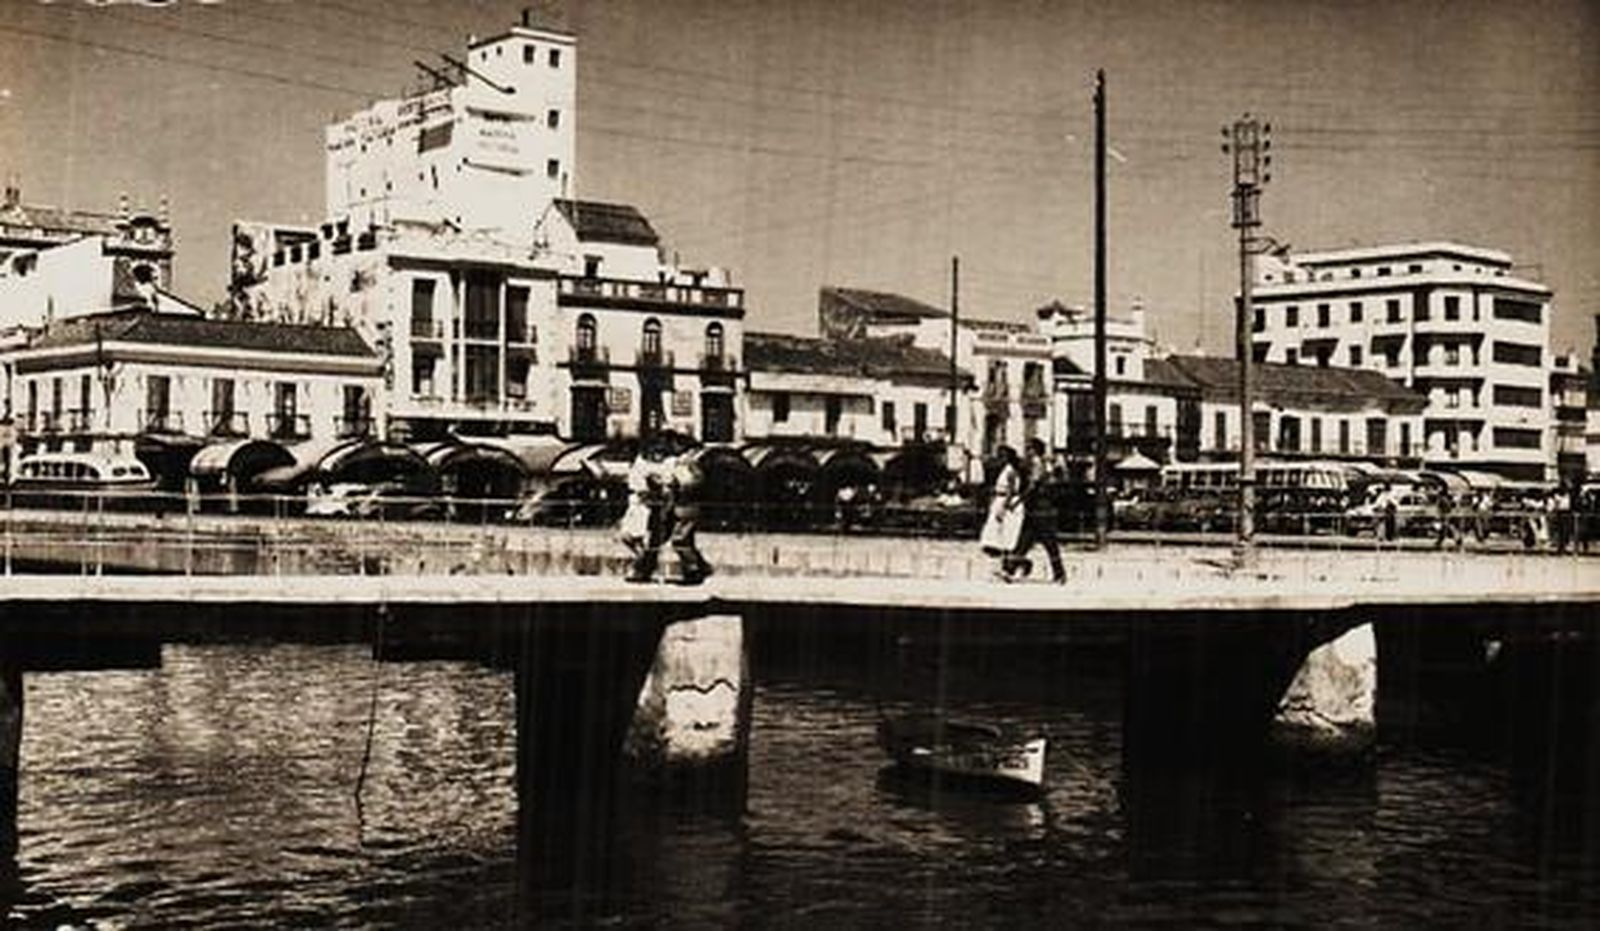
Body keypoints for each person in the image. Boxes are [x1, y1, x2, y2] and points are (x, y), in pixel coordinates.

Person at [1010, 438, 1066, 583]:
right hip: (1037, 510)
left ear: (1035, 449)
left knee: (1048, 543)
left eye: (1029, 448)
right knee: (1024, 541)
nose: (1027, 451)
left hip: (1041, 510)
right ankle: (1010, 568)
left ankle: (1060, 574)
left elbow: (1032, 486)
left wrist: (1017, 502)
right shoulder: (1041, 464)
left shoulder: (1037, 464)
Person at [621, 437, 673, 583]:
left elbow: (655, 484)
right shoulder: (637, 465)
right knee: (628, 536)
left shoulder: (645, 466)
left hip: (643, 505)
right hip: (635, 502)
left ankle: (641, 567)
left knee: (639, 537)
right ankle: (643, 564)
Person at [664, 446, 713, 584]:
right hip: (681, 506)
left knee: (679, 540)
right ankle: (698, 568)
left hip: (688, 505)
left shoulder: (689, 462)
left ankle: (694, 570)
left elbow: (698, 480)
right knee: (686, 541)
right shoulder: (678, 462)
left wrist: (681, 485)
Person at [979, 445, 1027, 582]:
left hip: (1007, 502)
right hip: (1000, 500)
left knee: (1006, 537)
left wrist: (1003, 507)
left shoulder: (1011, 471)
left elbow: (1011, 491)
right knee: (995, 537)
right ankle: (1001, 567)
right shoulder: (1004, 470)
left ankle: (1008, 567)